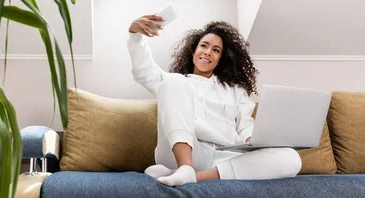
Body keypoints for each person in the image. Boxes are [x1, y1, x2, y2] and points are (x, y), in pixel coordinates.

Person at [127, 14, 302, 186]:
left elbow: (245, 126)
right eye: (204, 46)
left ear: (221, 60)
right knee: (173, 81)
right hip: (183, 152)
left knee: (291, 158)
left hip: (225, 158)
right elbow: (143, 70)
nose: (208, 52)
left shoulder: (235, 90)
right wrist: (135, 35)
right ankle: (185, 166)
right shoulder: (177, 83)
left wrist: (253, 141)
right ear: (194, 50)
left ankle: (192, 176)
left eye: (216, 50)